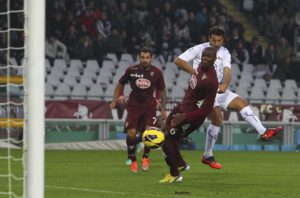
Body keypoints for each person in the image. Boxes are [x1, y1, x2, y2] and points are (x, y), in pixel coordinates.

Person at [175, 27, 283, 170]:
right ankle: (206, 155)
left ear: (223, 40)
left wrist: (225, 84)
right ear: (209, 38)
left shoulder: (225, 52)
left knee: (241, 103)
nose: (216, 43)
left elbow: (227, 70)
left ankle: (263, 131)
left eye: (219, 40)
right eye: (213, 40)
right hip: (204, 91)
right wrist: (195, 72)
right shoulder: (199, 48)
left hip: (218, 89)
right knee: (217, 119)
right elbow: (179, 60)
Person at [160, 47, 219, 183]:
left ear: (214, 59)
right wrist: (179, 111)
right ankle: (181, 164)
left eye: (209, 57)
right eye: (204, 56)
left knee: (167, 139)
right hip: (182, 108)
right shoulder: (199, 67)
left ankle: (175, 175)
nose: (205, 58)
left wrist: (185, 117)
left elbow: (206, 109)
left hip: (192, 117)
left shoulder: (212, 81)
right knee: (165, 131)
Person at [110, 46, 167, 172]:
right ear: (139, 57)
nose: (145, 60)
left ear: (151, 58)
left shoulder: (157, 72)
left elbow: (162, 90)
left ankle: (145, 158)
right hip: (134, 105)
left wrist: (163, 109)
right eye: (142, 57)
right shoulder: (131, 70)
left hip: (149, 106)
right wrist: (117, 97)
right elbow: (120, 83)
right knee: (131, 133)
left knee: (148, 132)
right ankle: (132, 159)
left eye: (147, 57)